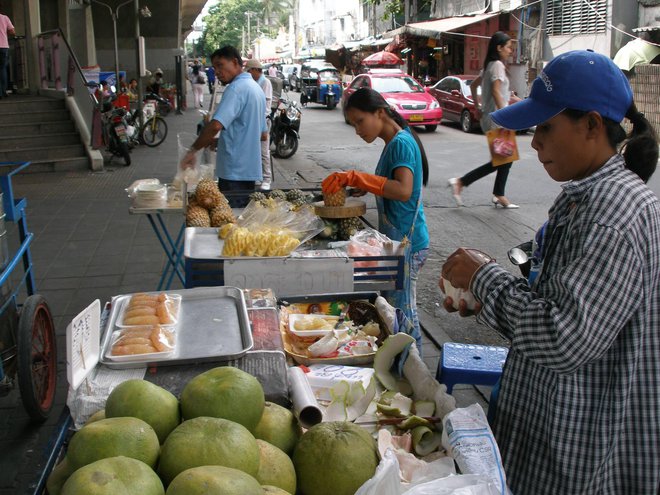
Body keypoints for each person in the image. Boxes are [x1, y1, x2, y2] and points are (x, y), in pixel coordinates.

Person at [440, 50, 659, 494]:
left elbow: (562, 336)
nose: (534, 142)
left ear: (593, 125)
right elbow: (558, 304)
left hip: (577, 454)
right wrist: (487, 299)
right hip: (547, 433)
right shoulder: (583, 196)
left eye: (545, 127)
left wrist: (484, 276)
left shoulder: (610, 214)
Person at [322, 87, 430, 347]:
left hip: (409, 243)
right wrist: (366, 186)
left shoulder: (401, 143)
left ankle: (413, 370)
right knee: (394, 309)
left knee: (401, 314)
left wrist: (357, 176)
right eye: (353, 124)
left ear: (380, 113)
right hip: (396, 243)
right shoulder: (393, 143)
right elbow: (390, 184)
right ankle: (402, 362)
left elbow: (403, 190)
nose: (358, 130)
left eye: (360, 121)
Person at [180, 46, 267, 207]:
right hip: (249, 171)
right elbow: (262, 134)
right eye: (214, 67)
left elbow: (215, 126)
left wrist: (192, 151)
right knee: (240, 220)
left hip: (234, 171)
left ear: (235, 62)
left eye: (220, 65)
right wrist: (222, 142)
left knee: (230, 222)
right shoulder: (256, 89)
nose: (217, 71)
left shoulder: (235, 89)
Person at [447, 32, 520, 208]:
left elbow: (475, 86)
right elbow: (495, 92)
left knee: (504, 159)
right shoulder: (497, 66)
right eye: (508, 47)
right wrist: (505, 114)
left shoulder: (489, 65)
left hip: (490, 117)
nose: (510, 51)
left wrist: (479, 107)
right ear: (499, 48)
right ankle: (463, 183)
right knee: (504, 159)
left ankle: (497, 194)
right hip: (497, 119)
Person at [246, 58, 273, 191]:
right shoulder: (252, 82)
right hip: (253, 121)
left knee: (264, 151)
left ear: (256, 70)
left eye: (250, 71)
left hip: (263, 120)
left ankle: (267, 178)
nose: (248, 73)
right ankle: (257, 175)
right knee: (253, 150)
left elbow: (266, 106)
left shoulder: (265, 82)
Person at [0, 1, 15, 99]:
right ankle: (3, 91)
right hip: (3, 47)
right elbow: (12, 32)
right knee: (2, 69)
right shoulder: (5, 18)